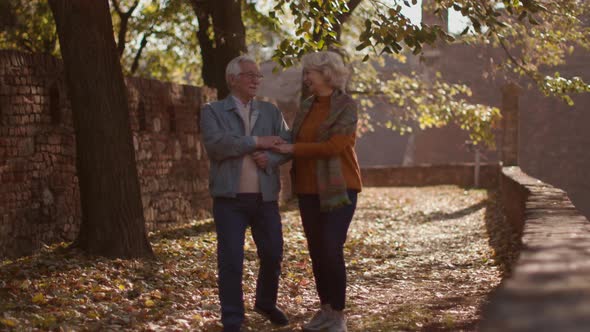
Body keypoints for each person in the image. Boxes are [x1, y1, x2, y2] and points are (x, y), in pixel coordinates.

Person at [272, 51, 362, 332]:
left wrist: (293, 149)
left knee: (331, 248)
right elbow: (294, 138)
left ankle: (338, 315)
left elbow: (335, 146)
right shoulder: (307, 105)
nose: (306, 76)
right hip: (308, 190)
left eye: (310, 71)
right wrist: (273, 145)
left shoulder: (346, 105)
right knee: (317, 251)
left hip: (340, 187)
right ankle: (325, 309)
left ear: (327, 73)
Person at [200, 55, 291, 332]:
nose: (255, 80)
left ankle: (265, 302)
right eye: (249, 75)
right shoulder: (212, 111)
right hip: (229, 200)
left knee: (273, 253)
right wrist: (255, 142)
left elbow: (286, 144)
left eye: (258, 76)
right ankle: (232, 318)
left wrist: (272, 160)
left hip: (265, 199)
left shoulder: (271, 112)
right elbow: (217, 145)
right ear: (232, 79)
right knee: (231, 261)